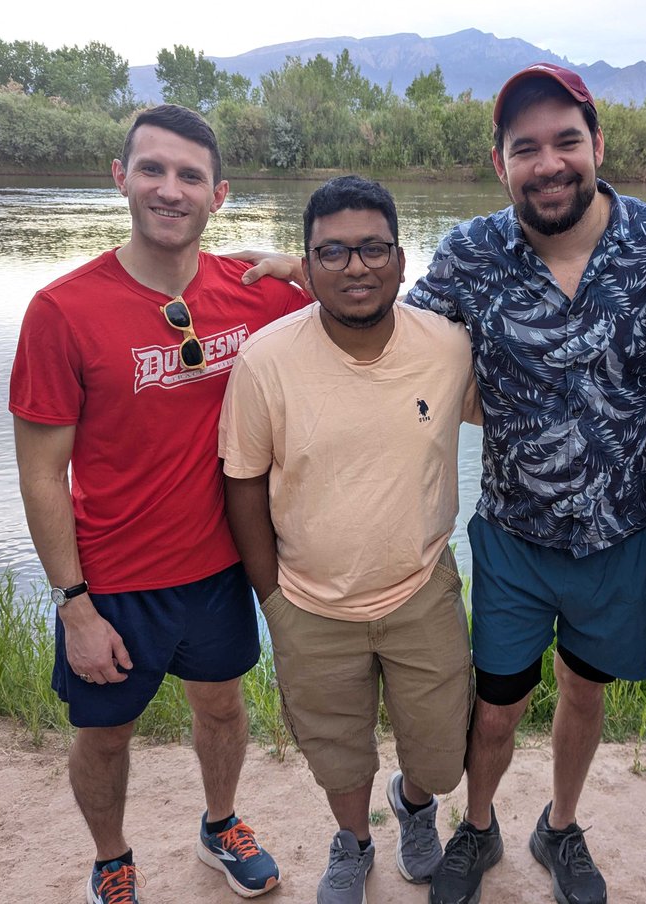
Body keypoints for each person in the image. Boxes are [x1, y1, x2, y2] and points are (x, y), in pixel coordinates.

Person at [238, 64, 646, 904]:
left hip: (623, 538)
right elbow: (385, 323)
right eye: (526, 147)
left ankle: (560, 827)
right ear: (502, 164)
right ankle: (477, 827)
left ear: (597, 145)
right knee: (493, 708)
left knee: (583, 696)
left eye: (567, 140)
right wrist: (296, 266)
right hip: (515, 537)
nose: (549, 161)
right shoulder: (471, 255)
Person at [9, 104, 309, 904]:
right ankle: (110, 858)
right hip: (112, 579)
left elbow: (371, 285)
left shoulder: (255, 295)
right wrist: (74, 607)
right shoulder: (62, 311)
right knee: (104, 735)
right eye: (152, 169)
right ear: (121, 178)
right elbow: (41, 474)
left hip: (219, 568)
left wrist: (298, 263)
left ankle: (220, 827)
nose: (168, 189)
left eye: (189, 176)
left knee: (222, 708)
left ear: (219, 194)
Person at [219, 175, 480, 904]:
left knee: (441, 750)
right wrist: (271, 594)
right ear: (307, 263)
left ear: (401, 260)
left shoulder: (449, 347)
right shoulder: (267, 361)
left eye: (372, 249)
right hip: (308, 599)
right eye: (332, 252)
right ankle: (354, 841)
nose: (356, 267)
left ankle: (416, 804)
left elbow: (536, 402)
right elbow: (242, 481)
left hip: (420, 586)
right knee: (336, 755)